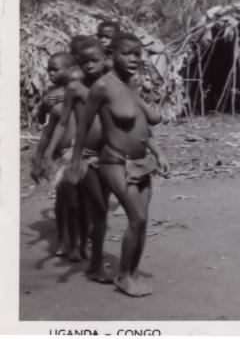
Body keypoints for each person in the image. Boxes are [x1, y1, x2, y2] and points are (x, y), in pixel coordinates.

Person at [66, 32, 168, 297]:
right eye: (127, 53)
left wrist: (158, 153)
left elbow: (146, 124)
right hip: (115, 162)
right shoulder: (102, 87)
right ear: (113, 56)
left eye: (138, 53)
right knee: (138, 217)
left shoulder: (131, 85)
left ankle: (131, 275)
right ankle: (123, 276)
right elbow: (85, 124)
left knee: (142, 222)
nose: (134, 58)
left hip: (142, 162)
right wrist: (75, 162)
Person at [47, 37, 113, 282]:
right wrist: (47, 155)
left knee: (95, 207)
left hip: (109, 156)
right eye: (83, 61)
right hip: (82, 154)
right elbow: (62, 121)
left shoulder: (112, 84)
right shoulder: (75, 88)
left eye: (94, 60)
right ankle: (85, 254)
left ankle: (86, 248)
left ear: (105, 59)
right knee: (84, 205)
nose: (88, 66)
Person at [31, 52, 83, 261]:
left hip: (77, 152)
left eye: (56, 69)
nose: (51, 73)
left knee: (75, 201)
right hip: (59, 154)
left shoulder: (80, 92)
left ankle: (74, 241)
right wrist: (40, 158)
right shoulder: (51, 94)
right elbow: (46, 126)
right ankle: (64, 240)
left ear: (71, 69)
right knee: (65, 200)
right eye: (49, 70)